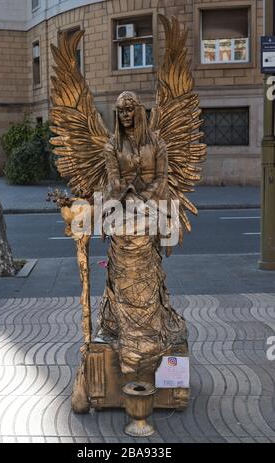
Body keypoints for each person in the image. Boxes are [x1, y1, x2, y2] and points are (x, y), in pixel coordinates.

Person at [96, 91, 187, 375]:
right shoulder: (112, 146)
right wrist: (127, 196)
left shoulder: (157, 143)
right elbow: (112, 179)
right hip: (123, 214)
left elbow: (162, 179)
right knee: (122, 277)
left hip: (150, 213)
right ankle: (122, 330)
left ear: (139, 110)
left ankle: (150, 331)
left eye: (129, 108)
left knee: (147, 276)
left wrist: (143, 197)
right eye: (120, 110)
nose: (125, 114)